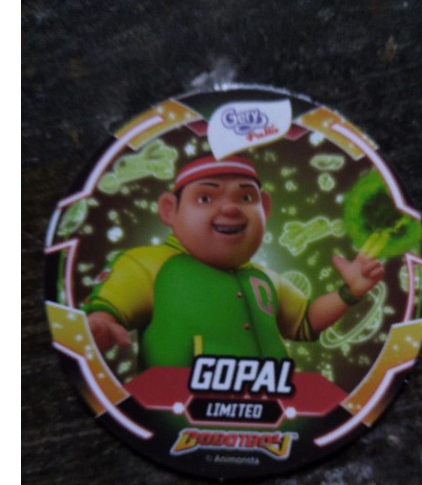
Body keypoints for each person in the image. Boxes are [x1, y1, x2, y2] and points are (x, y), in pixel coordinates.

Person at [83, 155, 384, 370]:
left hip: (274, 410)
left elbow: (304, 323)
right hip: (179, 413)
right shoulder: (147, 263)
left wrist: (350, 292)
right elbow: (108, 310)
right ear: (169, 210)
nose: (230, 208)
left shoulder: (266, 279)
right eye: (205, 198)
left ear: (265, 208)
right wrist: (100, 325)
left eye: (246, 198)